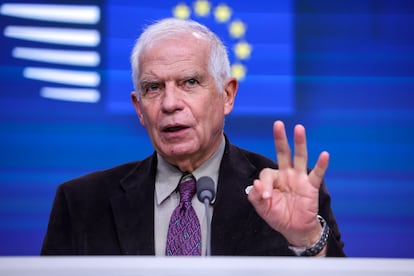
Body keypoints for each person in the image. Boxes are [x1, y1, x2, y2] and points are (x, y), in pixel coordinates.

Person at [41, 17, 345, 256]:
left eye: (189, 82)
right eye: (153, 88)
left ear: (227, 95)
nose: (169, 103)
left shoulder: (289, 194)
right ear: (139, 108)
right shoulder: (81, 203)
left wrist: (306, 240)